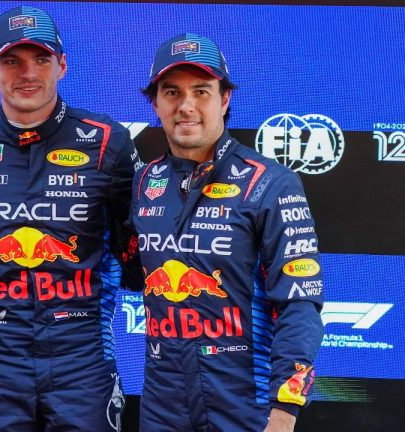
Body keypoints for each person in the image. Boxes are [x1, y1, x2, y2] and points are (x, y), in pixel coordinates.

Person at [0, 6, 141, 431]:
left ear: (62, 65)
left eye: (41, 59)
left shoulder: (107, 141)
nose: (28, 73)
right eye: (12, 60)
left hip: (81, 356)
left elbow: (136, 245)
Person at [130, 33, 324, 431]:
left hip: (246, 406)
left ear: (224, 99)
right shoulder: (142, 182)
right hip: (162, 406)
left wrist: (285, 411)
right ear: (156, 103)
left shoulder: (270, 183)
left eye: (201, 91)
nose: (186, 106)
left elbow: (299, 304)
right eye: (172, 92)